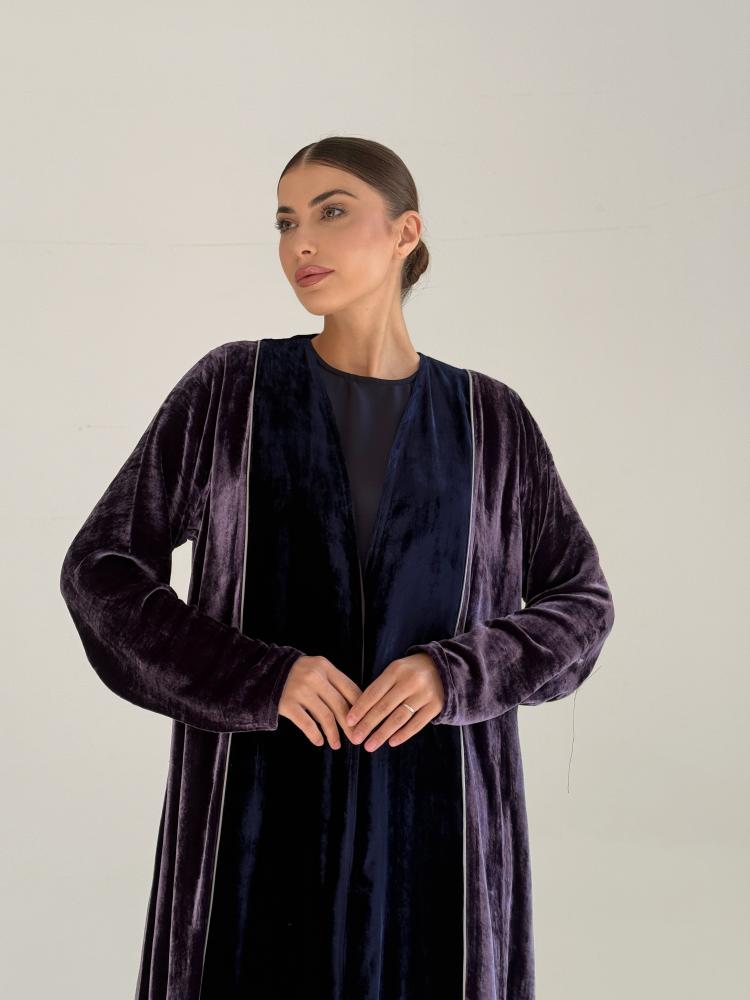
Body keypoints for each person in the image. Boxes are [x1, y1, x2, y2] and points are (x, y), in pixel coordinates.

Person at [60, 136, 615, 1000]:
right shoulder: (232, 388)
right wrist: (256, 677)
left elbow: (580, 602)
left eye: (331, 211)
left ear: (405, 232)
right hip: (256, 818)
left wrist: (456, 673)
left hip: (440, 828)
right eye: (286, 222)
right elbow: (102, 570)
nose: (301, 243)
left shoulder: (492, 419)